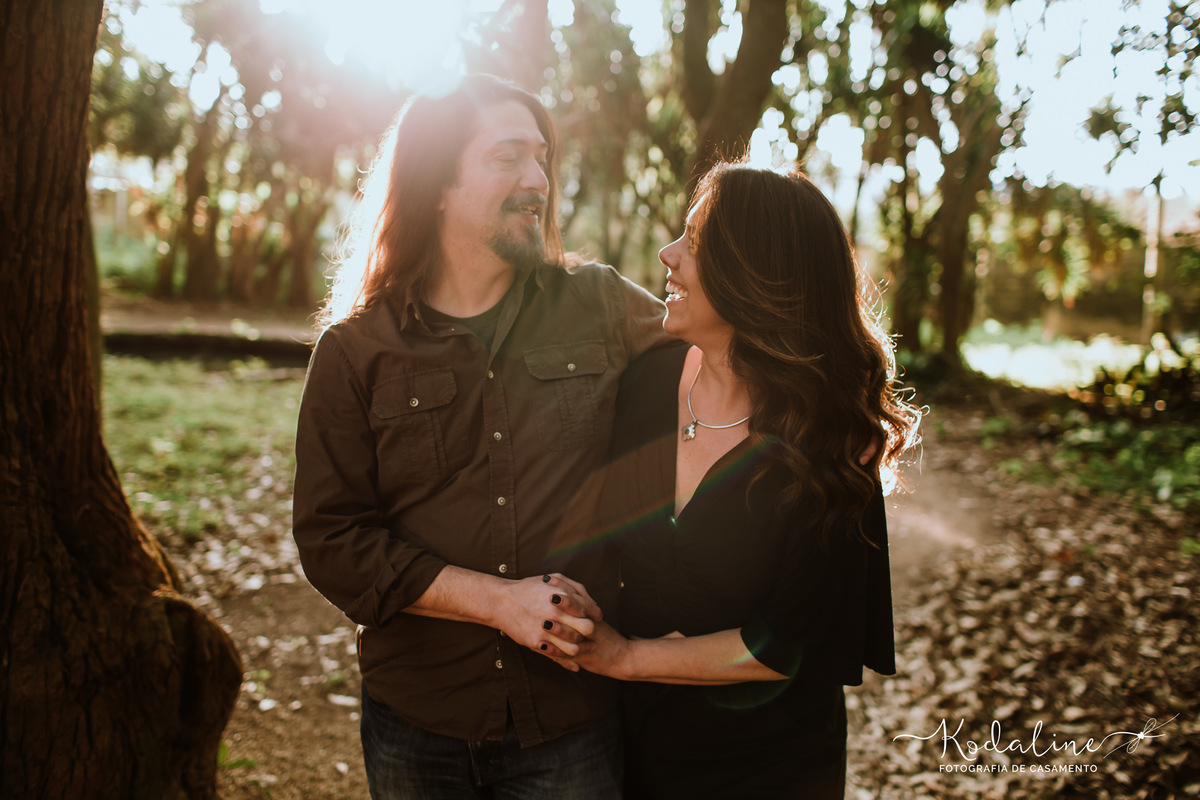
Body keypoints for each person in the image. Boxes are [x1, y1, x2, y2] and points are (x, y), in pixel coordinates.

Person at [291, 74, 671, 799]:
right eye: (508, 158)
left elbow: (725, 356)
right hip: (418, 717)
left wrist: (846, 410)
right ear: (438, 182)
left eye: (543, 160)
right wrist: (498, 601)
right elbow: (332, 540)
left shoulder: (602, 304)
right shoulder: (355, 351)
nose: (539, 181)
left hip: (571, 716)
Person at [545, 160, 922, 799]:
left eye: (693, 242)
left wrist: (626, 657)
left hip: (770, 766)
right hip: (634, 746)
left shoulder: (829, 444)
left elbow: (790, 644)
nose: (667, 254)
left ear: (754, 274)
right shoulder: (646, 384)